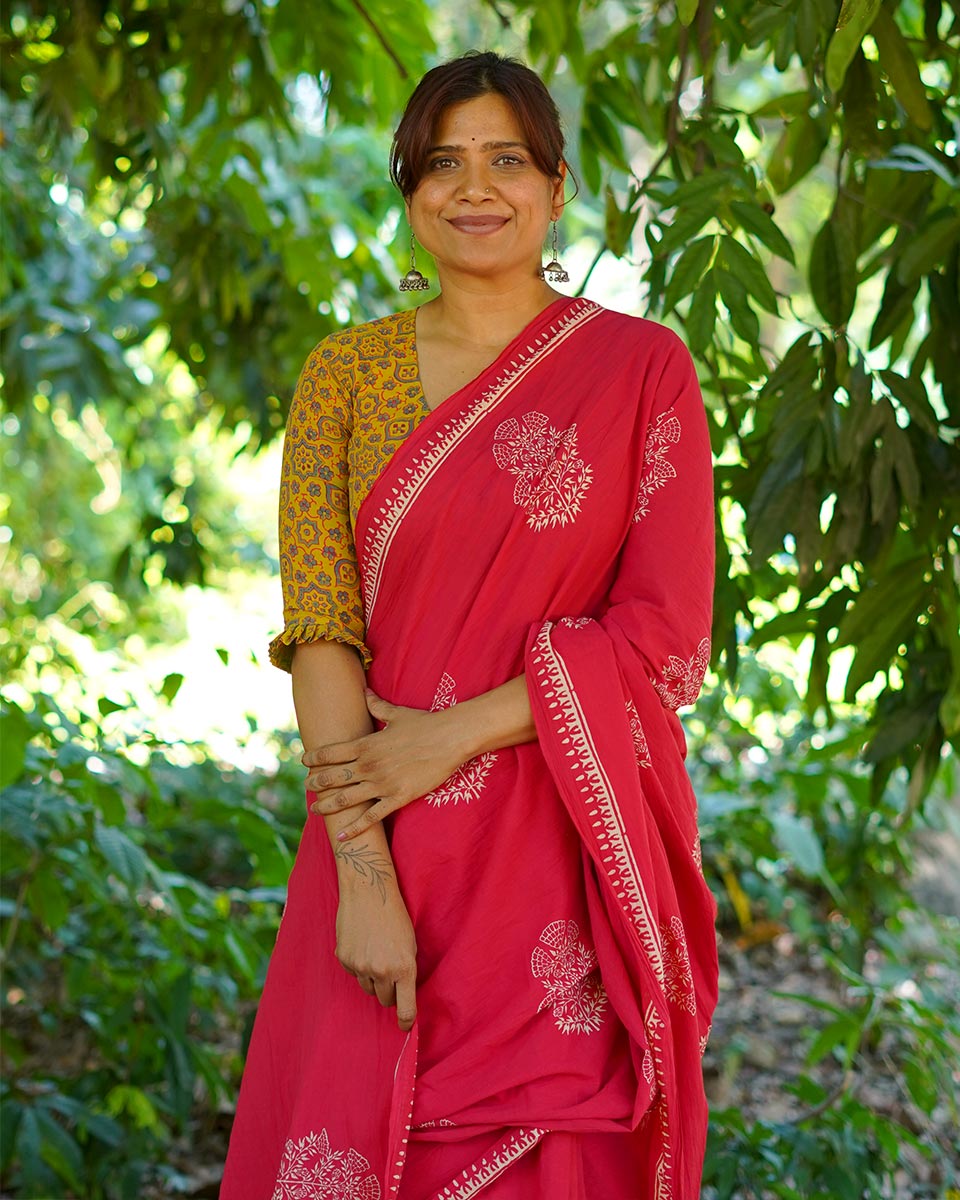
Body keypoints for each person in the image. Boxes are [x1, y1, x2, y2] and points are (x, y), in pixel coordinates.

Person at [221, 50, 717, 1200]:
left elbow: (665, 637)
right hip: (381, 834)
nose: (474, 187)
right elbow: (323, 626)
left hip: (564, 853)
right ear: (407, 189)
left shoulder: (643, 369)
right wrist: (363, 876)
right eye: (442, 162)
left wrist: (447, 735)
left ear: (556, 187)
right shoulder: (346, 376)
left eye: (507, 159)